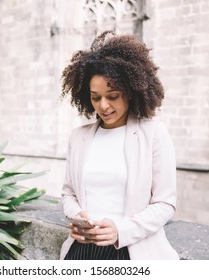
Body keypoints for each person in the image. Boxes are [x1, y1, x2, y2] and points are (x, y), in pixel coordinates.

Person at [59, 30, 179, 260]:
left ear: (131, 92)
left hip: (131, 251)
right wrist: (77, 217)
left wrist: (119, 231)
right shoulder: (78, 137)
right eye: (95, 97)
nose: (103, 105)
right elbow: (68, 193)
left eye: (112, 95)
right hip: (81, 250)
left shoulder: (153, 133)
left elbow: (165, 203)